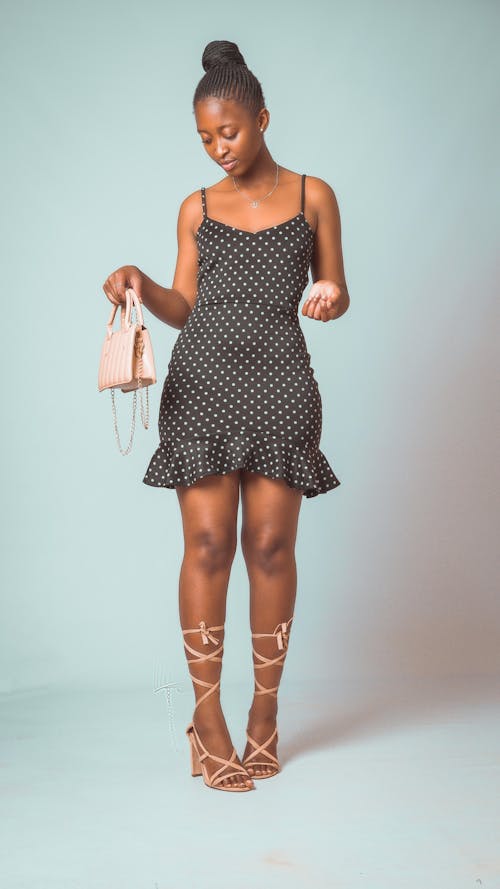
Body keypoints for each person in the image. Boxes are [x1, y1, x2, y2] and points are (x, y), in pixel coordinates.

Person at [102, 39, 350, 793]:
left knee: (271, 549)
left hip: (282, 382)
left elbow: (335, 281)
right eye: (206, 137)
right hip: (202, 384)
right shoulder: (196, 207)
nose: (217, 149)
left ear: (263, 118)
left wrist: (331, 295)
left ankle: (264, 713)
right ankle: (207, 722)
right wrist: (140, 280)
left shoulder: (314, 195)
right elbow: (183, 306)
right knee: (208, 546)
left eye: (229, 133)